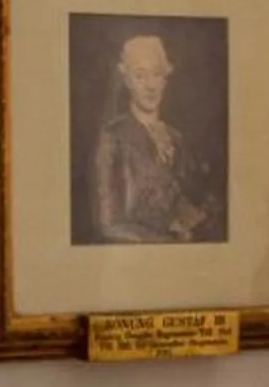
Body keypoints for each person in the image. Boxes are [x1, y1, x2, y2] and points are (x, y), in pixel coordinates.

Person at [86, 32, 221, 243]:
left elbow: (191, 200)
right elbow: (109, 224)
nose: (150, 86)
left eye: (157, 74)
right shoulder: (112, 138)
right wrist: (168, 239)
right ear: (127, 81)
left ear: (165, 79)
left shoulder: (176, 139)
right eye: (140, 76)